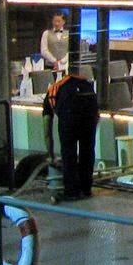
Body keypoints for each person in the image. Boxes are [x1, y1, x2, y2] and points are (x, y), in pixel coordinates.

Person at [44, 63, 100, 200]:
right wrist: (92, 130)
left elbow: (47, 132)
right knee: (87, 151)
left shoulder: (51, 93)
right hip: (90, 114)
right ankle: (86, 189)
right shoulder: (85, 84)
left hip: (69, 115)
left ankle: (71, 192)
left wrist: (50, 155)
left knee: (68, 152)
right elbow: (97, 114)